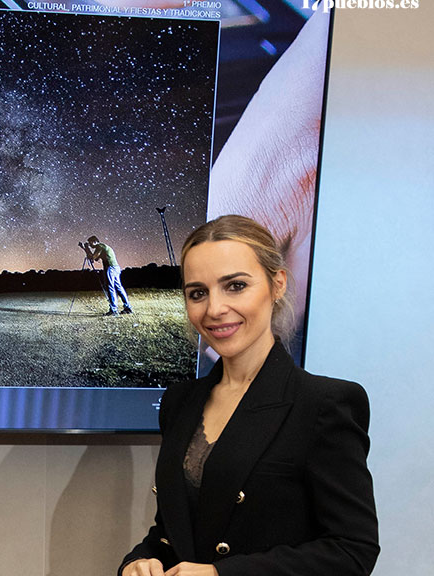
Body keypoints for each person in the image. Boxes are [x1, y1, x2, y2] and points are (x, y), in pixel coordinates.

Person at [118, 215, 378, 576]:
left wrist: (220, 574)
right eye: (197, 293)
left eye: (235, 286)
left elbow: (352, 552)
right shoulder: (180, 401)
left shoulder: (325, 403)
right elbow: (174, 532)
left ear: (277, 284)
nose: (214, 309)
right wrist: (141, 561)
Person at [84, 235, 133, 316]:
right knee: (119, 287)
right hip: (116, 268)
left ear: (94, 241)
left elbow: (92, 257)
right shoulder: (102, 247)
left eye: (90, 244)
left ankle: (113, 310)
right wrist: (86, 249)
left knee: (110, 287)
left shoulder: (100, 246)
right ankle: (128, 308)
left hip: (111, 268)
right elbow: (96, 259)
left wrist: (86, 248)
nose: (91, 246)